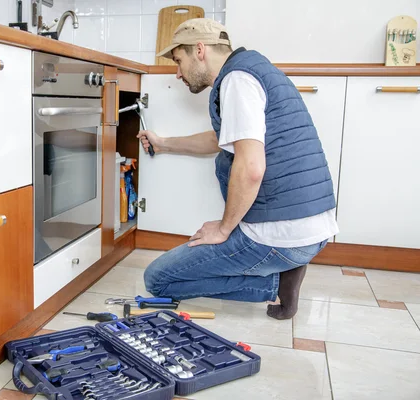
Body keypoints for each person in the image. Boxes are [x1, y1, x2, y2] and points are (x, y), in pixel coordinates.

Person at [138, 19, 339, 320]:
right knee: (227, 155)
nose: (177, 72)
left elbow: (252, 168)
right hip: (312, 225)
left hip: (282, 233)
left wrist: (223, 229)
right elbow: (222, 139)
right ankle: (286, 266)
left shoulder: (237, 81)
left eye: (179, 61)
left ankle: (274, 281)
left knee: (157, 279)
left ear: (200, 50)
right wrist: (163, 143)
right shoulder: (255, 69)